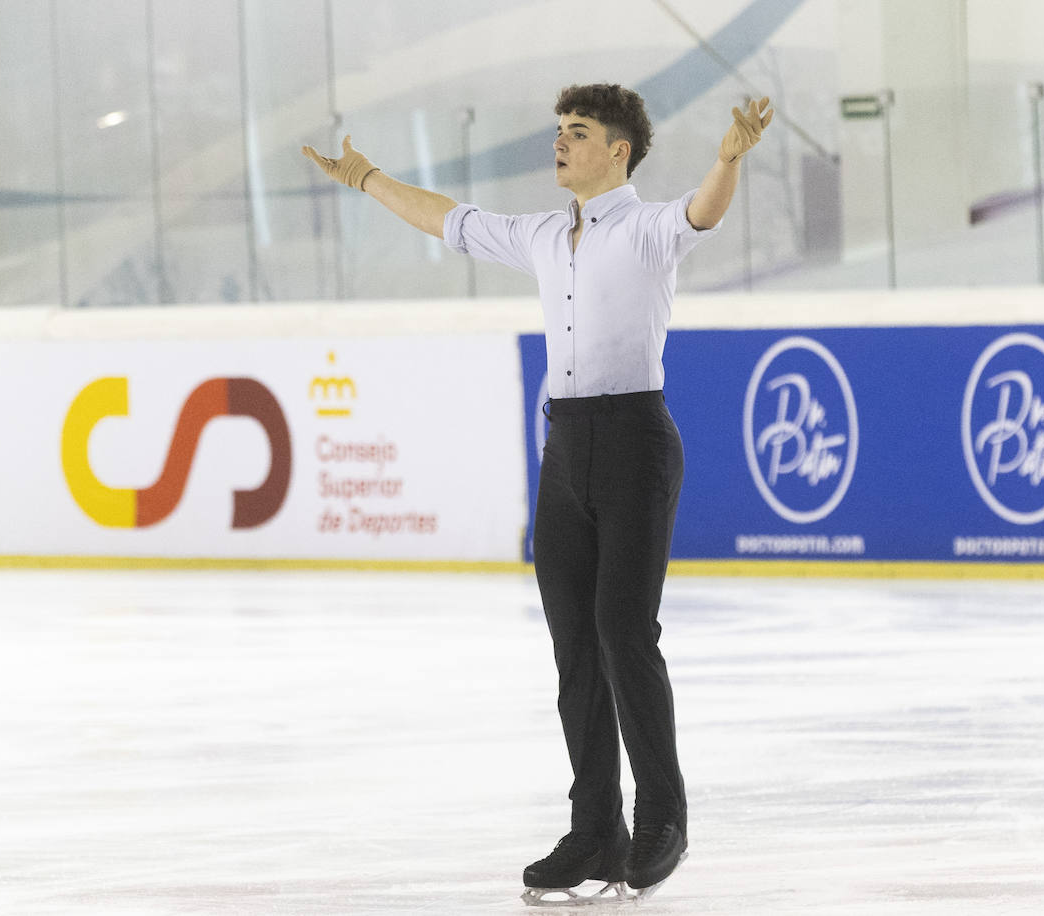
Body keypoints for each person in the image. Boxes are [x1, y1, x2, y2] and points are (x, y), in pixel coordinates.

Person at [303, 83, 772, 900]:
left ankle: (664, 818)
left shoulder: (651, 228)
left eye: (577, 132)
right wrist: (366, 178)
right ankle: (596, 831)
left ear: (617, 149)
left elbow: (703, 209)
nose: (560, 143)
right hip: (565, 453)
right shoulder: (546, 236)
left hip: (635, 444)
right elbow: (449, 218)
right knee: (575, 652)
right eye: (559, 130)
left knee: (626, 636)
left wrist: (727, 158)